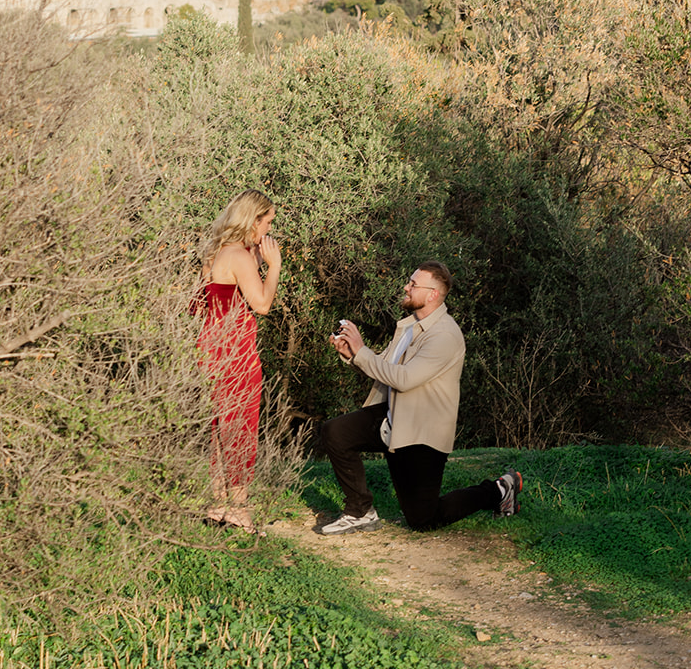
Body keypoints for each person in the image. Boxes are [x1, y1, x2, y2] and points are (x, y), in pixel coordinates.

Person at [316, 260, 521, 535]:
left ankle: (498, 490)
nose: (406, 287)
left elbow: (404, 379)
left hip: (421, 433)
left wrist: (362, 350)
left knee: (423, 519)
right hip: (392, 417)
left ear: (433, 294)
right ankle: (359, 511)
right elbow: (385, 368)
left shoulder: (445, 335)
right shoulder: (410, 326)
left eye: (413, 284)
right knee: (335, 431)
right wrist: (353, 355)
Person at [195, 189, 281, 531]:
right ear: (253, 220)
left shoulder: (216, 251)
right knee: (241, 427)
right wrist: (274, 267)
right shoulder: (240, 257)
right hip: (236, 351)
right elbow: (261, 304)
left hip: (211, 348)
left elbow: (207, 301)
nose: (269, 230)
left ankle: (218, 504)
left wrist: (256, 259)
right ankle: (239, 508)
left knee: (220, 427)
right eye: (267, 222)